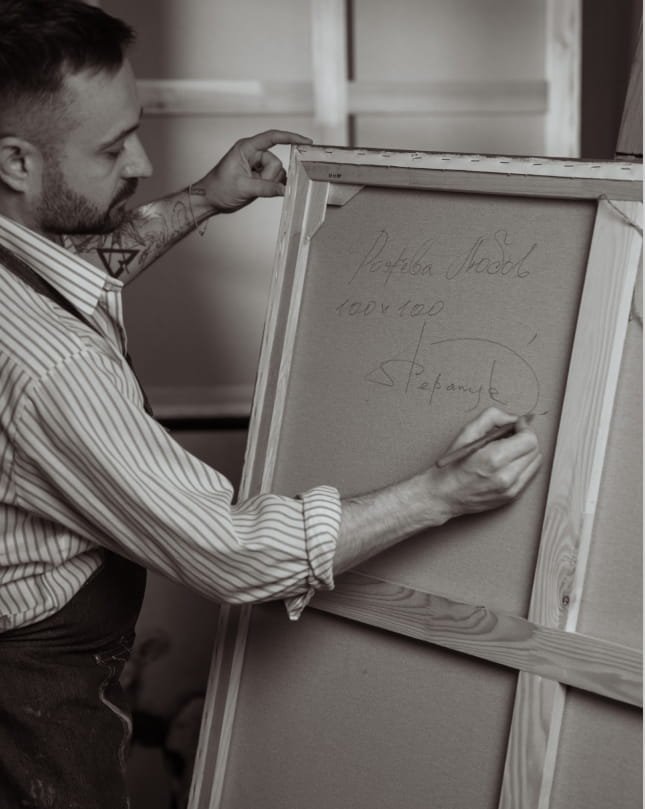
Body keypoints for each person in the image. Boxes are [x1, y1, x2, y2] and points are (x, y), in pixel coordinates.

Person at [0, 1, 542, 807]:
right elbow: (232, 554)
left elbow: (75, 274)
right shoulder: (54, 368)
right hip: (28, 706)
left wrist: (205, 198)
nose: (141, 160)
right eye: (111, 148)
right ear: (15, 162)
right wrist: (439, 494)